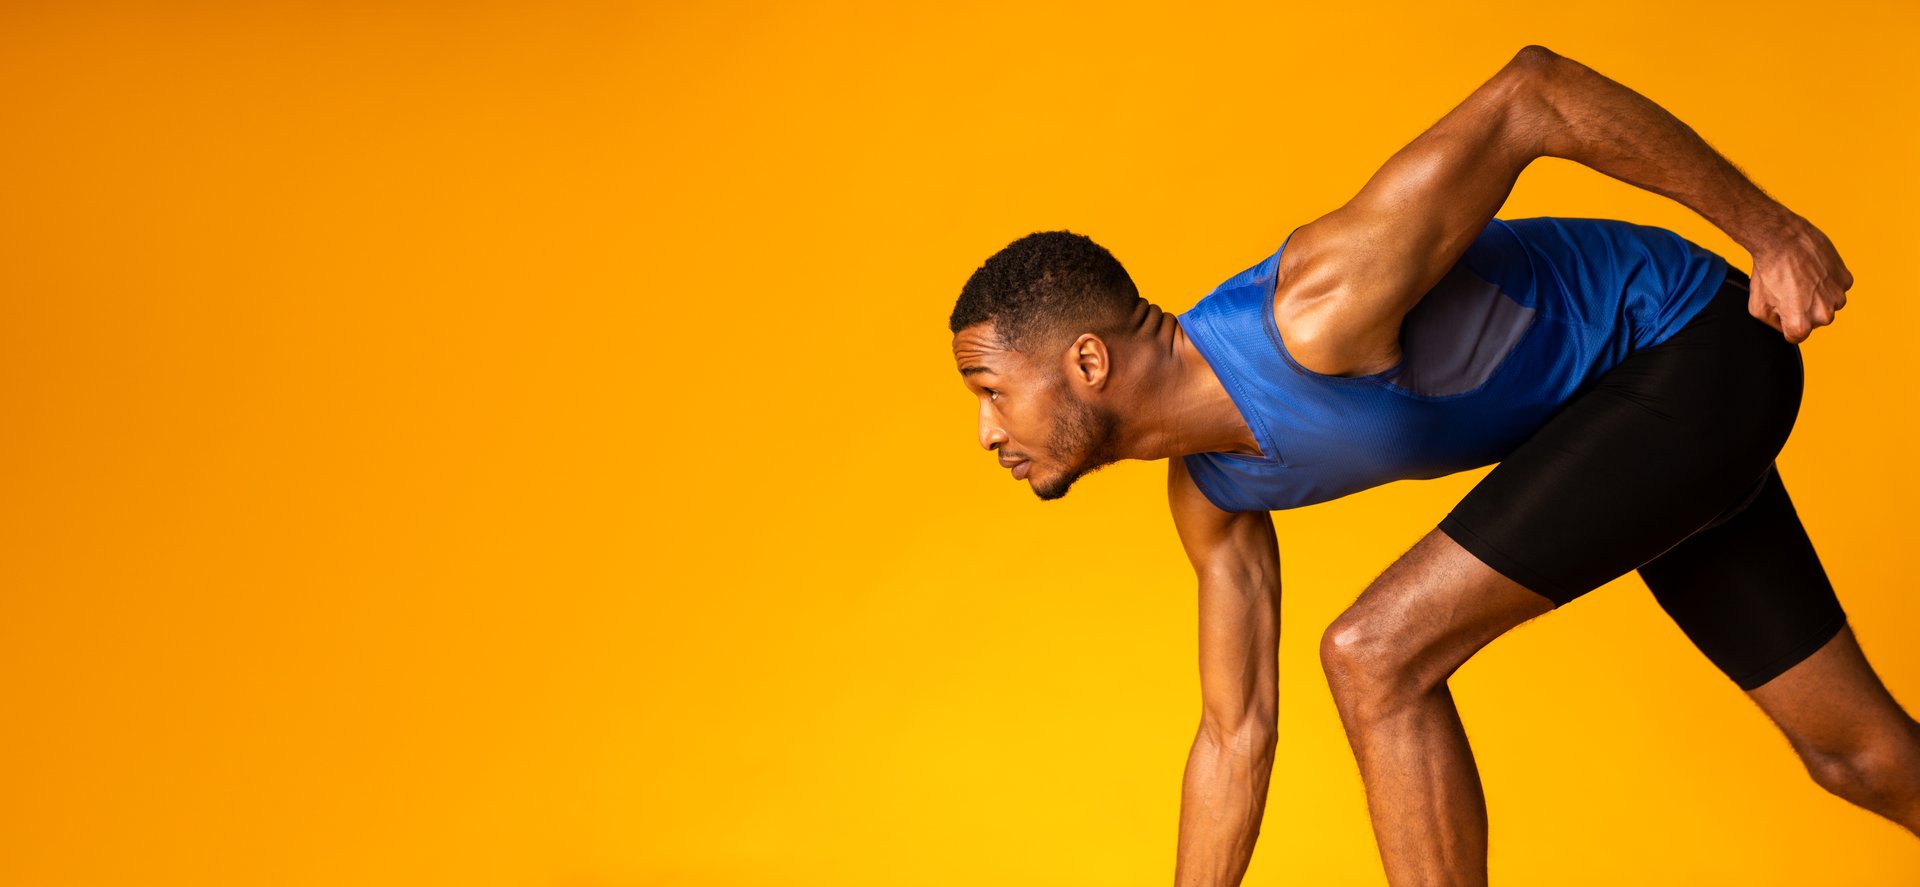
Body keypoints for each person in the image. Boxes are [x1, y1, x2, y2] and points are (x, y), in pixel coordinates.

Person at [947, 45, 1916, 886]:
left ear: (1087, 361)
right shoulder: (1210, 492)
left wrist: (1772, 231)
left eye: (990, 390)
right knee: (1859, 758)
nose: (986, 431)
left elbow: (1534, 94)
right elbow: (1234, 736)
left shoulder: (1316, 307)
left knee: (1375, 655)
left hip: (1693, 349)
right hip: (1618, 435)